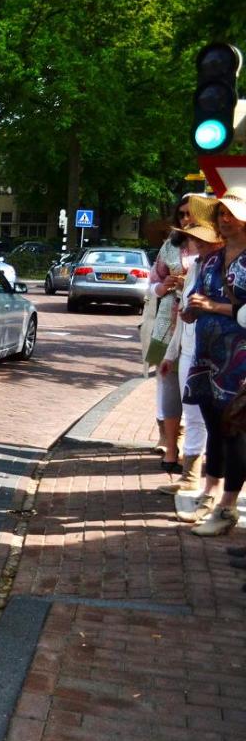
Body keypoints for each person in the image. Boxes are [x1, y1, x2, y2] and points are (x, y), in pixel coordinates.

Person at [177, 186, 246, 537]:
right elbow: (194, 300)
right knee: (213, 426)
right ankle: (210, 492)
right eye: (221, 214)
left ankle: (228, 506)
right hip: (207, 357)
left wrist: (214, 308)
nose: (225, 220)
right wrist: (190, 311)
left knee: (235, 430)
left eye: (231, 214)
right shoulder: (211, 259)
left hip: (240, 360)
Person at [158, 196, 221, 497]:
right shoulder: (196, 266)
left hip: (215, 354)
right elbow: (184, 316)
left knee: (214, 418)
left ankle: (212, 486)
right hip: (187, 351)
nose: (196, 242)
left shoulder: (227, 266)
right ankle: (190, 476)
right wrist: (171, 353)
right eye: (195, 237)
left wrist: (209, 306)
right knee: (192, 413)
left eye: (201, 237)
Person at [143, 195, 199, 477]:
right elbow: (151, 284)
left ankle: (191, 445)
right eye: (182, 214)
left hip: (196, 323)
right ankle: (168, 444)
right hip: (167, 321)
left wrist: (187, 283)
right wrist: (163, 286)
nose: (186, 219)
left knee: (191, 382)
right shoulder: (170, 246)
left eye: (191, 214)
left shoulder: (210, 246)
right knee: (164, 380)